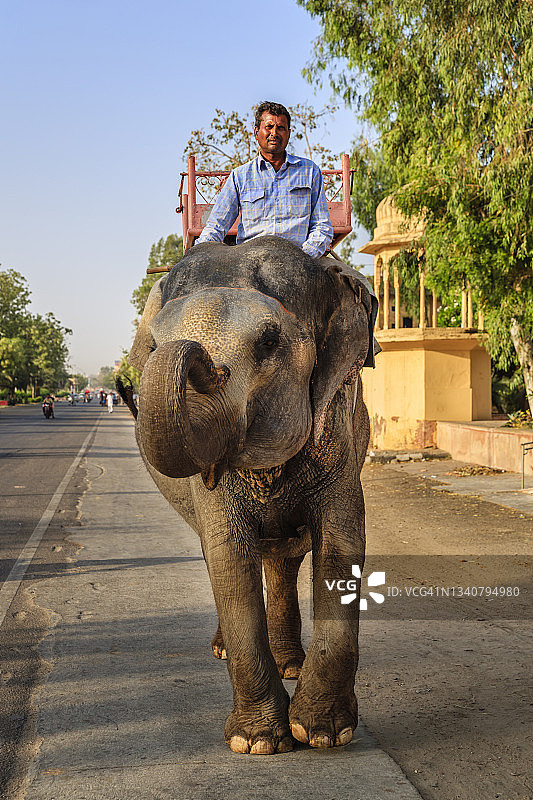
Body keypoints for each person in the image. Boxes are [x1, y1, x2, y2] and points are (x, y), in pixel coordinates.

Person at [197, 101, 333, 258]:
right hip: (249, 262)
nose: (274, 133)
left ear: (288, 133)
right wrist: (197, 254)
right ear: (256, 133)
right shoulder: (239, 176)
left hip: (297, 260)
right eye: (269, 127)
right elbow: (216, 226)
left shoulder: (309, 171)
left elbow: (322, 225)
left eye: (280, 128)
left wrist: (305, 257)